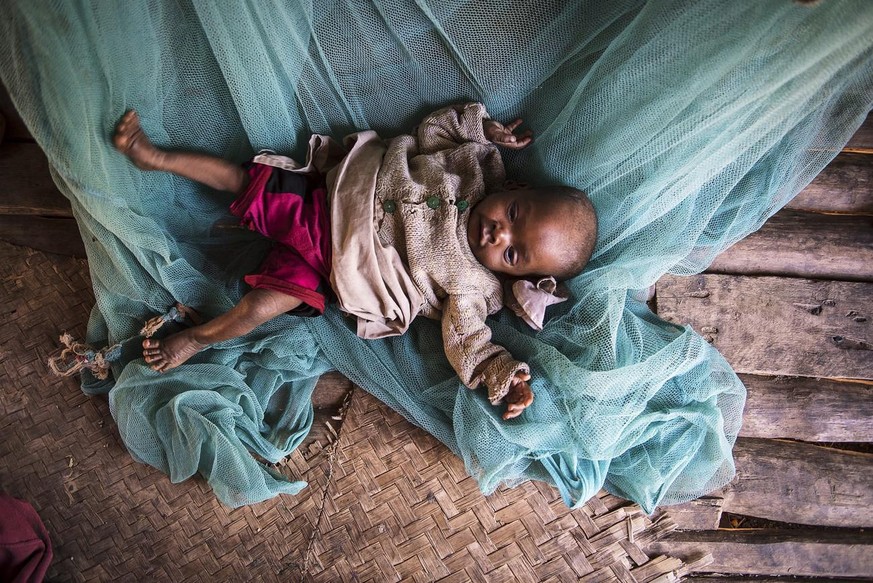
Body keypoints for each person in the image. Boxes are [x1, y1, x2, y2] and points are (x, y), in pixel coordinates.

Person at [112, 103, 597, 420]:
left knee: (263, 306)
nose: (498, 232)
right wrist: (482, 128)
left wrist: (504, 375)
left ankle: (196, 339)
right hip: (329, 198)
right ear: (513, 188)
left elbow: (468, 343)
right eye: (512, 214)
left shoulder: (474, 289)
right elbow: (434, 130)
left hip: (333, 264)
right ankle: (157, 157)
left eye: (511, 251)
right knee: (244, 180)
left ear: (512, 274)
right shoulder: (471, 165)